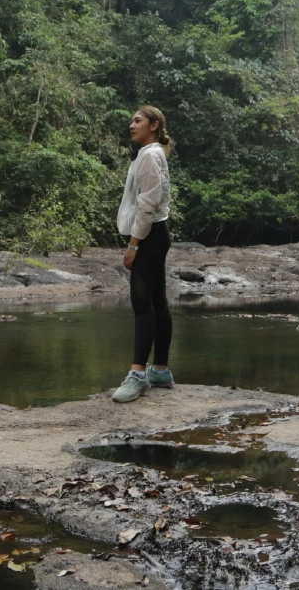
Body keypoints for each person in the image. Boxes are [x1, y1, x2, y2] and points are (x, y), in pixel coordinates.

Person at [111, 105, 175, 403]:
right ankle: (159, 370)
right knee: (157, 301)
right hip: (155, 234)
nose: (132, 125)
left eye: (138, 120)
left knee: (142, 303)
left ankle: (138, 375)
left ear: (154, 125)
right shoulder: (149, 153)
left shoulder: (149, 155)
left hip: (149, 236)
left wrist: (134, 244)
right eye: (131, 121)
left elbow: (148, 203)